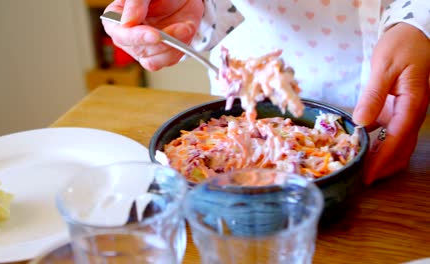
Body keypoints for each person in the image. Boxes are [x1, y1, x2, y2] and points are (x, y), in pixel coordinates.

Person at [102, 0, 430, 185]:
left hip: (406, 105)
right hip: (244, 102)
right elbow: (224, 9)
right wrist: (194, 10)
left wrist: (420, 24)